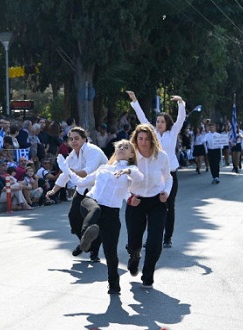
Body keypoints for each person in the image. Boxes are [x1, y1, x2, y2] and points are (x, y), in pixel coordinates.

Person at [51, 139, 143, 294]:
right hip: (90, 202)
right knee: (96, 211)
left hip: (111, 212)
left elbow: (139, 177)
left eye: (126, 147)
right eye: (119, 146)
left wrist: (128, 172)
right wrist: (65, 169)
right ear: (115, 150)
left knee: (110, 253)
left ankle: (113, 284)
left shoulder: (132, 170)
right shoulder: (103, 168)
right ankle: (85, 239)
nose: (121, 148)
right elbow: (80, 182)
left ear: (131, 154)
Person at [127, 91, 185, 248]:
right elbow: (142, 119)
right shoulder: (151, 133)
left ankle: (167, 237)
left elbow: (181, 119)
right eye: (157, 121)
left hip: (169, 174)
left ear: (167, 123)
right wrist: (134, 100)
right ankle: (151, 238)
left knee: (168, 205)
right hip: (153, 175)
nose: (159, 124)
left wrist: (181, 103)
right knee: (151, 207)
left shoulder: (172, 133)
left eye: (162, 121)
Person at [124, 124, 173, 289]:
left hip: (156, 201)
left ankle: (148, 273)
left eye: (147, 139)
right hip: (135, 200)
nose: (143, 142)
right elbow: (120, 181)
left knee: (155, 241)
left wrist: (166, 191)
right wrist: (129, 198)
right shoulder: (130, 157)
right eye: (140, 139)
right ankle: (134, 255)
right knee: (133, 241)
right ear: (135, 140)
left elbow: (168, 177)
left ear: (152, 140)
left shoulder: (161, 156)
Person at [51, 127, 108, 260]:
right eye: (71, 139)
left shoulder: (93, 151)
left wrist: (67, 169)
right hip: (83, 189)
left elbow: (85, 173)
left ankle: (94, 251)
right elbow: (65, 175)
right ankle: (85, 243)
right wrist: (54, 190)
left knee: (94, 221)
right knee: (73, 217)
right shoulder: (72, 155)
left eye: (77, 138)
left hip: (99, 190)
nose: (73, 141)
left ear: (84, 139)